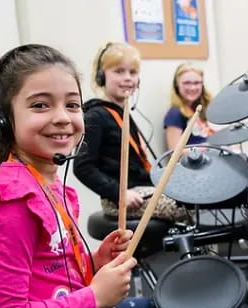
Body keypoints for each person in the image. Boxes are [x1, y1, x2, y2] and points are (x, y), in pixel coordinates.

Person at [0, 44, 212, 308]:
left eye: (72, 104)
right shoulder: (15, 200)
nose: (63, 117)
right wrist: (93, 296)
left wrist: (94, 262)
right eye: (40, 105)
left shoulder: (50, 186)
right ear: (4, 120)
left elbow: (48, 272)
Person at [73, 42, 188, 222]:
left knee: (197, 196)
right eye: (119, 71)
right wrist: (120, 193)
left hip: (143, 189)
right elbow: (83, 167)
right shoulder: (95, 116)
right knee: (189, 207)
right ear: (101, 77)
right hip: (120, 198)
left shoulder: (124, 112)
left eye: (132, 73)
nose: (127, 78)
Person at [164, 63, 214, 150]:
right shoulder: (174, 114)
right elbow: (174, 153)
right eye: (187, 83)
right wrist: (207, 148)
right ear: (177, 85)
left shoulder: (202, 107)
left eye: (197, 83)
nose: (192, 88)